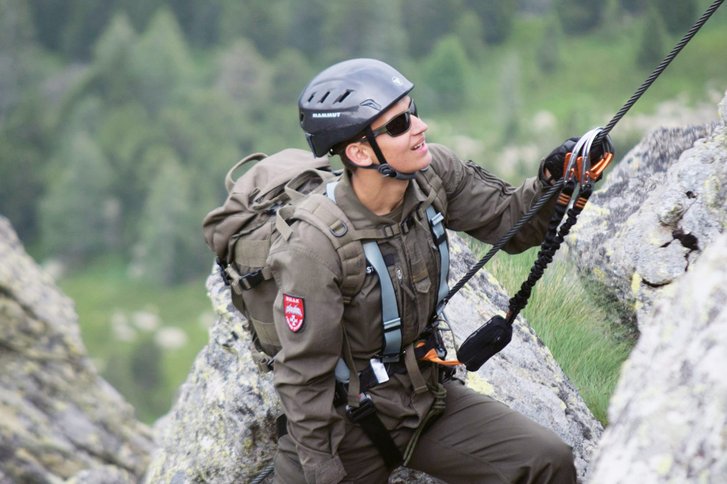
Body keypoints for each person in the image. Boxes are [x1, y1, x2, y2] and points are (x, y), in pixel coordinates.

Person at [269, 58, 593, 484]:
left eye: (412, 111)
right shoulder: (315, 245)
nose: (420, 127)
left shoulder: (432, 175)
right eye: (400, 123)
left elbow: (508, 223)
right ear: (360, 152)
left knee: (546, 462)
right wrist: (321, 469)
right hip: (342, 426)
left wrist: (555, 183)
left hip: (425, 399)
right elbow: (303, 374)